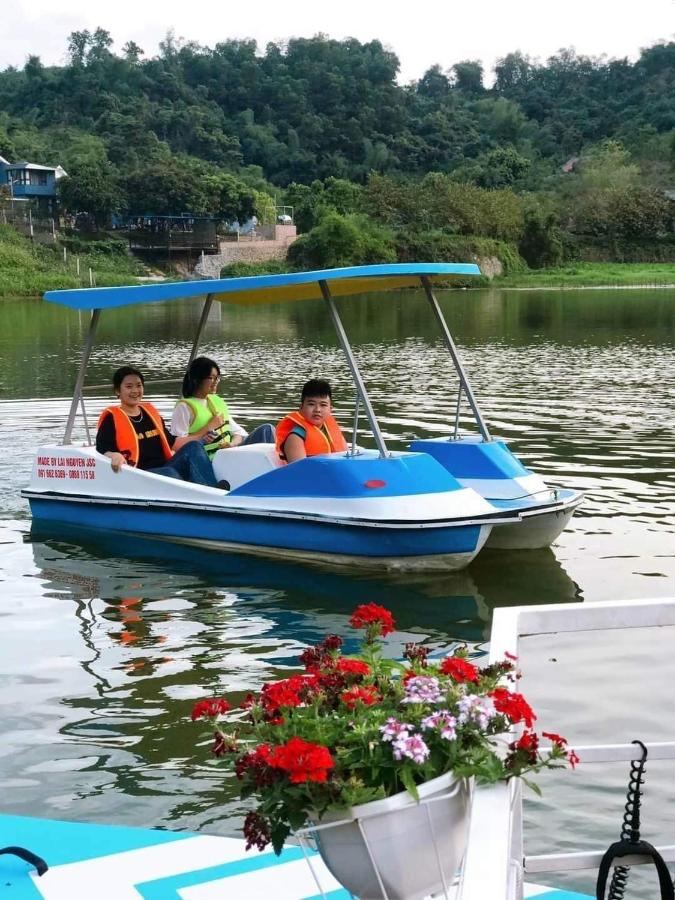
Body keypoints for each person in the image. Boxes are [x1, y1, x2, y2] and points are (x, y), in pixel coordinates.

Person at [96, 365, 219, 488]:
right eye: (129, 386)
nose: (135, 391)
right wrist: (113, 455)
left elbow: (173, 443)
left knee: (194, 446)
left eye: (139, 385)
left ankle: (213, 491)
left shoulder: (151, 413)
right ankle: (202, 495)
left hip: (165, 467)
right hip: (138, 474)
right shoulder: (111, 418)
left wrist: (202, 435)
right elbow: (102, 449)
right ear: (118, 391)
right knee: (169, 473)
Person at [170, 357, 274, 458]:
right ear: (197, 380)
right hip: (207, 460)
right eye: (211, 378)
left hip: (229, 454)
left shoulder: (216, 401)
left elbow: (239, 433)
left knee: (266, 430)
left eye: (217, 378)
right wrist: (207, 428)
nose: (216, 381)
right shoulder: (184, 407)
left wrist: (232, 445)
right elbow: (176, 445)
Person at [276, 378, 348, 463]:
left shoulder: (332, 430)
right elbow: (300, 471)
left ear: (330, 409)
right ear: (301, 407)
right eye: (311, 404)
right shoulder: (295, 437)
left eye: (323, 405)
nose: (317, 409)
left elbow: (346, 457)